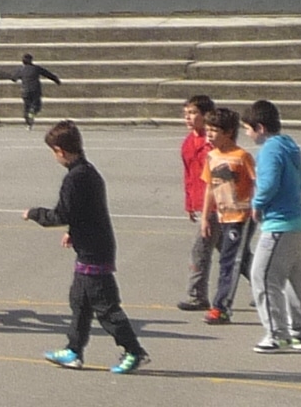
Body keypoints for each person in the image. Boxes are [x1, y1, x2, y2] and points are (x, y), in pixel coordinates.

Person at [25, 120, 148, 374]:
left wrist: (34, 213)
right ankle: (73, 350)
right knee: (79, 301)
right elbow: (84, 212)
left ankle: (134, 351)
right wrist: (73, 232)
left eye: (53, 151)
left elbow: (62, 214)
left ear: (60, 150)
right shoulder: (89, 173)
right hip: (91, 246)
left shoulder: (75, 178)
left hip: (94, 251)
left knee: (105, 306)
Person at [245, 99, 301, 352]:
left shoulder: (269, 151)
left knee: (262, 276)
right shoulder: (290, 145)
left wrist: (257, 203)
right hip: (298, 221)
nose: (247, 134)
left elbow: (269, 182)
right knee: (294, 279)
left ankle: (277, 335)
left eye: (248, 129)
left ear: (260, 128)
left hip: (280, 224)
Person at [199, 107, 257, 326]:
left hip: (241, 216)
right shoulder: (212, 156)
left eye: (214, 130)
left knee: (229, 261)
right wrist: (206, 217)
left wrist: (257, 207)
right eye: (208, 130)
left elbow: (257, 182)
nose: (210, 135)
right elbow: (210, 188)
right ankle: (272, 288)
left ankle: (221, 307)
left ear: (229, 132)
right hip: (223, 217)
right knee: (242, 260)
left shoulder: (241, 157)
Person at [177, 94, 216, 312]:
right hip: (199, 204)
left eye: (193, 113)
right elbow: (189, 175)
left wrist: (207, 209)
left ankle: (197, 295)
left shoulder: (211, 144)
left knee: (200, 251)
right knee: (234, 253)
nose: (188, 118)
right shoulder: (188, 142)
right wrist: (189, 203)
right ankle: (264, 282)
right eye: (186, 114)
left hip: (213, 205)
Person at [11, 53, 64, 128]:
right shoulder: (36, 68)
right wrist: (56, 80)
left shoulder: (21, 70)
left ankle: (28, 123)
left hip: (25, 91)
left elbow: (13, 78)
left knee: (26, 107)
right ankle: (32, 112)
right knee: (37, 105)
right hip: (35, 90)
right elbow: (47, 74)